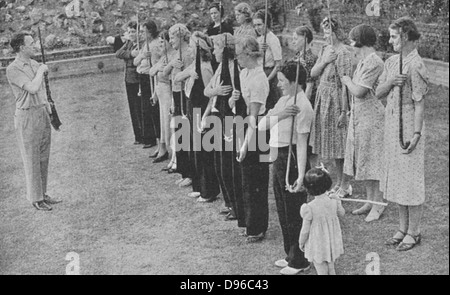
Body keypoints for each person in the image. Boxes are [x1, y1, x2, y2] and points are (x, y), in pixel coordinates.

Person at [376, 17, 428, 251]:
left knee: (410, 177)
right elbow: (378, 93)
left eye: (394, 36)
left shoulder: (416, 64)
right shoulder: (390, 62)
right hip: (392, 120)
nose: (390, 41)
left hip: (408, 123)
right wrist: (390, 82)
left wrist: (416, 134)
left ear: (405, 36)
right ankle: (402, 227)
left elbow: (419, 103)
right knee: (397, 177)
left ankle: (414, 231)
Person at [259, 61, 313, 274]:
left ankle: (300, 260)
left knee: (294, 212)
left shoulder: (304, 106)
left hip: (291, 157)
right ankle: (289, 253)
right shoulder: (284, 100)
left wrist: (301, 176)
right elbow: (262, 125)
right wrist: (281, 115)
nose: (279, 84)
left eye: (282, 81)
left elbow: (301, 144)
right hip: (278, 157)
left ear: (295, 82)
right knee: (282, 208)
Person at [6, 31, 62, 211]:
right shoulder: (13, 68)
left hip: (41, 113)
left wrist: (48, 108)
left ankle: (43, 194)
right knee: (31, 158)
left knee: (43, 156)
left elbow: (41, 91)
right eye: (31, 44)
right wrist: (40, 71)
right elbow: (32, 87)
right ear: (21, 47)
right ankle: (36, 199)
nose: (35, 46)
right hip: (26, 116)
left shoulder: (35, 63)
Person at [340, 24, 386, 222]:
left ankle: (378, 205)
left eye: (353, 40)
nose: (352, 45)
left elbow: (360, 91)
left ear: (361, 40)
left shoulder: (374, 61)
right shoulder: (363, 61)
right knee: (364, 160)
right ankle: (369, 201)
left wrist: (347, 81)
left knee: (374, 161)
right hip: (360, 117)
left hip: (373, 118)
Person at [231, 37, 270, 243]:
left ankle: (258, 227)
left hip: (257, 132)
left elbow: (254, 116)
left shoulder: (258, 79)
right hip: (245, 125)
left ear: (249, 55)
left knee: (256, 180)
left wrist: (245, 145)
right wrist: (234, 98)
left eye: (240, 55)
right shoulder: (243, 73)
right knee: (245, 181)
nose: (238, 59)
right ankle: (249, 223)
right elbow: (239, 106)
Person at [174, 31, 220, 202]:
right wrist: (188, 75)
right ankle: (200, 188)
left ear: (199, 49)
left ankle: (209, 191)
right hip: (192, 111)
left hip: (202, 112)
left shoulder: (206, 67)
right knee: (196, 152)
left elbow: (211, 96)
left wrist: (205, 116)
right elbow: (177, 78)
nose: (190, 51)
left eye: (192, 47)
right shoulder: (194, 65)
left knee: (204, 153)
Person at [309, 17, 353, 198]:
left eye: (329, 31)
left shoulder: (343, 52)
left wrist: (344, 111)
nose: (326, 34)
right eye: (324, 31)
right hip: (323, 97)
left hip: (336, 99)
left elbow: (344, 84)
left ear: (336, 31)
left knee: (341, 145)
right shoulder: (325, 49)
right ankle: (338, 182)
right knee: (333, 146)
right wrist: (325, 60)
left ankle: (345, 184)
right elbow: (312, 73)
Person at [203, 33, 241, 222]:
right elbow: (207, 90)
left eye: (217, 48)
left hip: (229, 119)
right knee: (219, 163)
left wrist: (232, 98)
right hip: (217, 116)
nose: (213, 51)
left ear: (225, 50)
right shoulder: (219, 69)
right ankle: (228, 201)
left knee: (228, 165)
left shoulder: (234, 68)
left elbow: (237, 95)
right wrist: (216, 91)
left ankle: (235, 203)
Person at [163, 24, 195, 187]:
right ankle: (184, 170)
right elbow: (165, 74)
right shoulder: (175, 54)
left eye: (173, 37)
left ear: (182, 37)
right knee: (178, 133)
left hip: (186, 94)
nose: (171, 41)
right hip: (177, 95)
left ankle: (190, 173)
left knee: (185, 133)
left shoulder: (189, 52)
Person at [299, 166, 345, 275]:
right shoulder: (333, 201)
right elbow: (341, 213)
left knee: (321, 269)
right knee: (331, 267)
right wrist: (338, 201)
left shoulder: (308, 208)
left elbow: (305, 230)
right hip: (331, 240)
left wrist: (301, 242)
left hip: (317, 243)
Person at [133, 19, 163, 156]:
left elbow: (158, 62)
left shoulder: (156, 44)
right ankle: (156, 143)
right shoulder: (146, 44)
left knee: (154, 110)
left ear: (150, 31)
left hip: (152, 79)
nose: (141, 34)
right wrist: (142, 56)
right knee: (148, 111)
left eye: (144, 31)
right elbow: (135, 62)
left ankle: (161, 145)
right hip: (144, 78)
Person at [150, 30, 176, 169]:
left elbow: (165, 74)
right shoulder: (163, 56)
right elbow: (152, 72)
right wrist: (154, 93)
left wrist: (158, 69)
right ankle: (164, 149)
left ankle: (172, 154)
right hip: (160, 91)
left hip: (168, 92)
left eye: (163, 41)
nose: (160, 44)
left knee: (169, 123)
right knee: (163, 123)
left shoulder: (172, 56)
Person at [116, 21, 143, 145]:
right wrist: (131, 54)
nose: (131, 34)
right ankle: (138, 136)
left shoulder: (141, 44)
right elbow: (118, 53)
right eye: (130, 32)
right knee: (133, 108)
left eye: (133, 31)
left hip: (138, 79)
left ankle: (144, 135)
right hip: (129, 79)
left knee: (140, 108)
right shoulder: (128, 43)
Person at [253, 9, 282, 111]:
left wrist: (267, 79)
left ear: (267, 23)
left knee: (270, 106)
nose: (257, 28)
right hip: (260, 73)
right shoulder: (260, 39)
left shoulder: (273, 39)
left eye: (259, 24)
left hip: (270, 74)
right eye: (255, 25)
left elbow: (278, 64)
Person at [291, 26, 318, 105]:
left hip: (304, 98)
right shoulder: (298, 55)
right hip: (296, 94)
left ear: (305, 40)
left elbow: (309, 87)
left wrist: (303, 106)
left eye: (295, 39)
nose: (293, 42)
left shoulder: (309, 59)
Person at [206, 2, 234, 72]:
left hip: (222, 54)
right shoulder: (210, 27)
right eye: (211, 14)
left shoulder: (226, 27)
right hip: (212, 53)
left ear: (220, 12)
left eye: (215, 13)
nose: (213, 16)